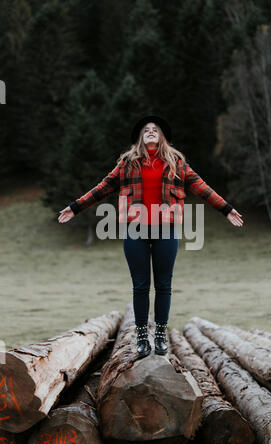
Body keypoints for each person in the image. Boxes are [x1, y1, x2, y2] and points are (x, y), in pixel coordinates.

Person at [58, 115, 243, 358]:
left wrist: (226, 209)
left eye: (155, 129)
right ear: (140, 137)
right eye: (146, 129)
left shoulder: (177, 163)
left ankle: (160, 335)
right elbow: (102, 188)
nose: (151, 131)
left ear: (162, 136)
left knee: (164, 285)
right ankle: (142, 336)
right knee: (140, 285)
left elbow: (202, 187)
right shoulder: (127, 163)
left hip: (166, 229)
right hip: (136, 230)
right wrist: (76, 206)